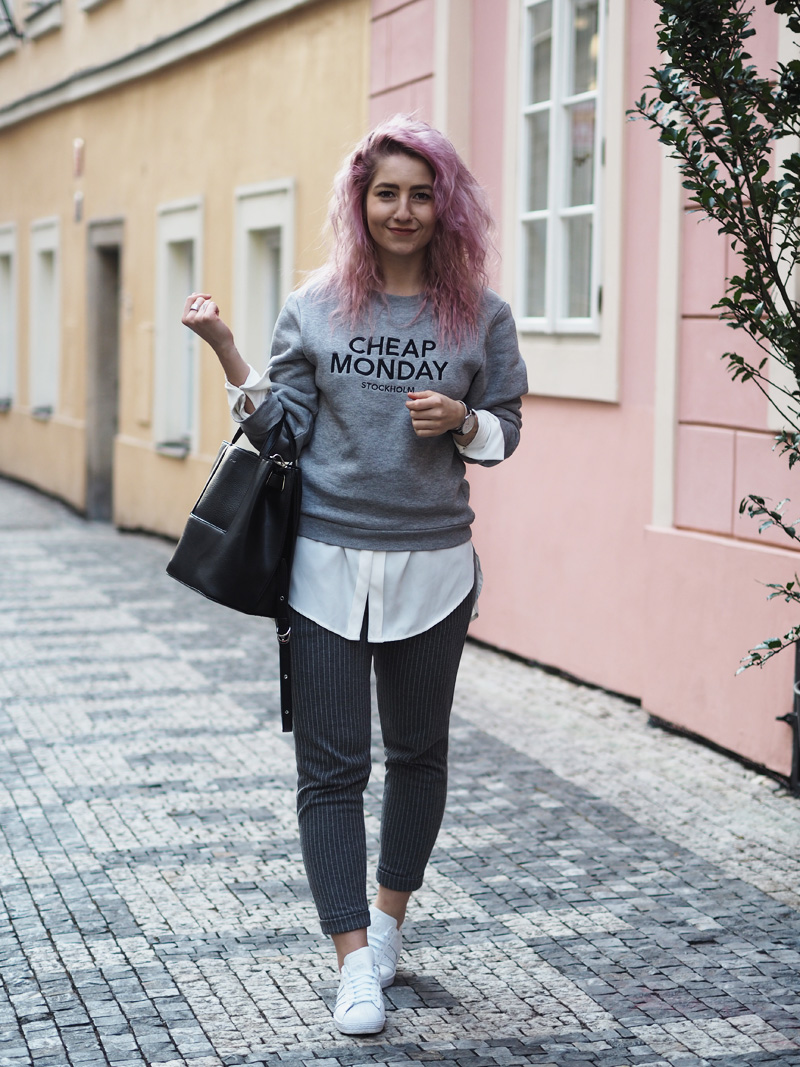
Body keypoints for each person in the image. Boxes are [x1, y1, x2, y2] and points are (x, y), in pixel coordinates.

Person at [182, 115, 528, 1036]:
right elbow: (282, 432)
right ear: (360, 202)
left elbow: (505, 432)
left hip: (435, 567)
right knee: (331, 770)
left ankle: (386, 925)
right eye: (386, 193)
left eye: (420, 194)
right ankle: (350, 963)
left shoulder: (483, 316)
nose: (402, 210)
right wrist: (225, 345)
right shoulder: (316, 307)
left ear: (445, 206)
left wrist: (463, 419)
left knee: (418, 755)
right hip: (326, 566)